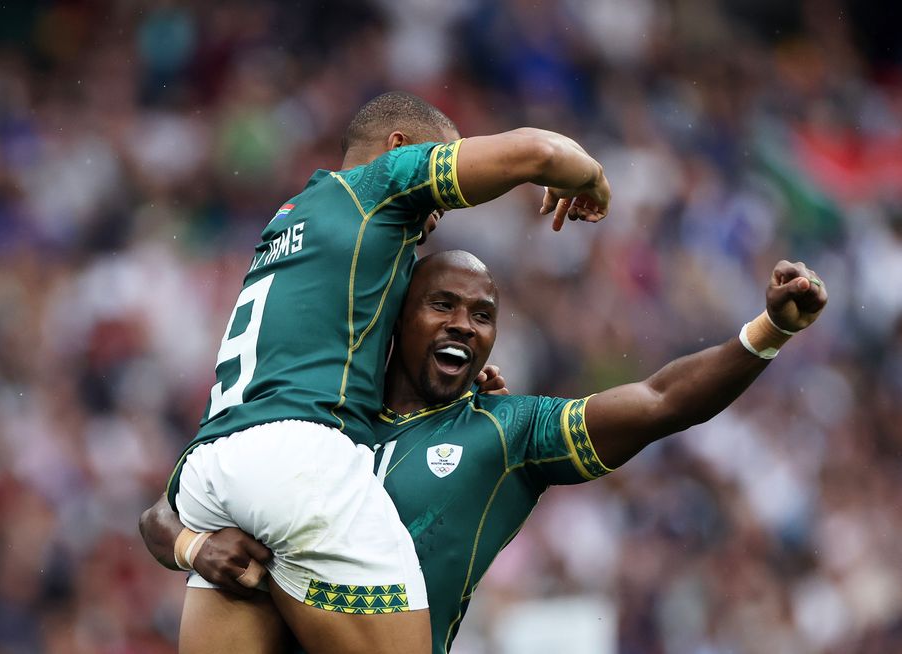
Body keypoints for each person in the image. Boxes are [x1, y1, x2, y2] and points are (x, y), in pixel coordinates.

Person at [143, 250, 828, 653]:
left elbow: (659, 400)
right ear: (396, 318)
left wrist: (767, 330)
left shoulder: (506, 434)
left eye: (482, 315)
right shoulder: (310, 416)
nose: (463, 326)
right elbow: (162, 513)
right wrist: (194, 550)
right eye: (442, 304)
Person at [162, 91, 611, 654]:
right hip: (299, 461)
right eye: (437, 185)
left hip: (213, 464)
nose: (437, 215)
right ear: (398, 147)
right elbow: (539, 152)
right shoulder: (379, 187)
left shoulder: (290, 221)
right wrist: (589, 178)